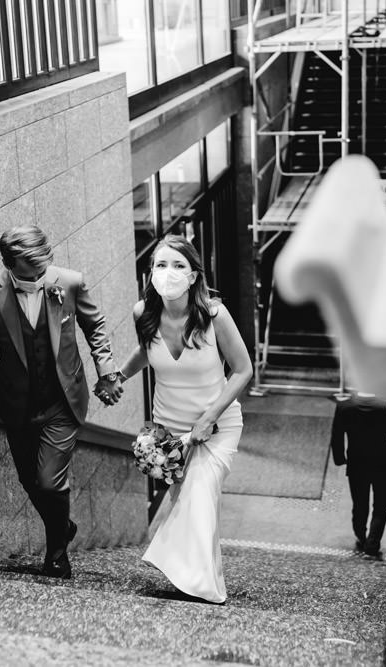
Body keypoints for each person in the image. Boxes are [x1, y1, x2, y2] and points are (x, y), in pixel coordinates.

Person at [0, 226, 124, 579]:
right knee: (28, 479)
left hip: (62, 402)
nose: (40, 273)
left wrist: (107, 370)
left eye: (43, 264)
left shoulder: (68, 282)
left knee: (50, 482)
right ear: (9, 264)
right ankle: (62, 525)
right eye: (30, 266)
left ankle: (56, 553)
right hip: (17, 404)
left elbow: (94, 326)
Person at [116, 235, 253, 604]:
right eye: (161, 265)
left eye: (179, 266)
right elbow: (147, 350)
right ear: (151, 273)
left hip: (216, 427)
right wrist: (119, 376)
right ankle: (199, 579)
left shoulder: (213, 314)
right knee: (191, 503)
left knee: (200, 495)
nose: (169, 273)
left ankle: (202, 585)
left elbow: (243, 370)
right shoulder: (142, 312)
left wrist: (209, 418)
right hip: (169, 434)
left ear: (193, 277)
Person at [329, 391, 386, 559]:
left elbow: (337, 434)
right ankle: (372, 544)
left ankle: (360, 535)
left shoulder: (345, 406)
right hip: (384, 463)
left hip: (357, 463)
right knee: (381, 506)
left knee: (359, 503)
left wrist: (339, 458)